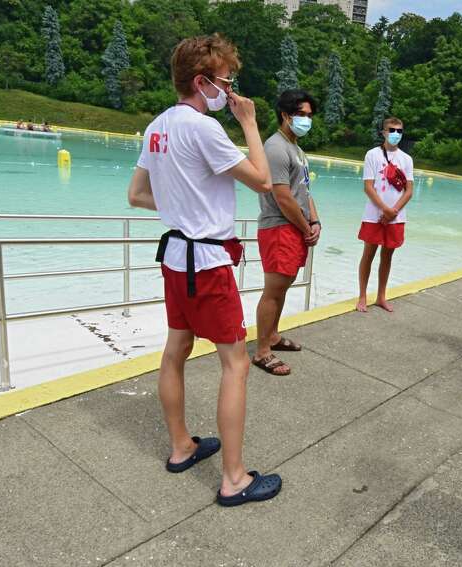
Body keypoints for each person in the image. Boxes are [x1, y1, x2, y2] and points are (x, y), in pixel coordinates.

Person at [127, 34, 282, 507]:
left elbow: (137, 193)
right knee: (235, 364)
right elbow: (263, 179)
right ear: (202, 81)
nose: (229, 90)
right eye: (225, 81)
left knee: (176, 348)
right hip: (209, 264)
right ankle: (234, 478)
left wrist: (180, 205)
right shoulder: (203, 128)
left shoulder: (158, 127)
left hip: (175, 258)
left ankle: (181, 447)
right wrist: (250, 122)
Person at [253, 89, 321, 377]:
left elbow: (304, 192)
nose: (306, 120)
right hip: (280, 227)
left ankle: (273, 336)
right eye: (301, 114)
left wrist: (315, 222)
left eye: (309, 115)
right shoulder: (276, 148)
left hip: (295, 228)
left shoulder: (297, 150)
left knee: (283, 287)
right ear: (285, 115)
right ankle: (261, 351)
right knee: (273, 290)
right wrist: (306, 227)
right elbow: (282, 197)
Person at [356, 117, 414, 313]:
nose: (396, 133)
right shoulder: (372, 155)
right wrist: (384, 210)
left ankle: (381, 296)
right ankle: (362, 296)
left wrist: (393, 212)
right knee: (368, 254)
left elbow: (409, 190)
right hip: (374, 215)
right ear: (383, 132)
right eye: (392, 130)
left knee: (387, 256)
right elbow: (368, 187)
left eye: (399, 130)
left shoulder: (407, 159)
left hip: (396, 218)